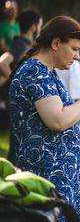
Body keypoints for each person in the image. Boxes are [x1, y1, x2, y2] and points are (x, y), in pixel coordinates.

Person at [8, 15, 80, 222]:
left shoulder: (47, 72)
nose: (77, 56)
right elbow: (56, 121)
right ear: (56, 43)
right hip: (45, 184)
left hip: (57, 182)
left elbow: (64, 117)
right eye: (74, 49)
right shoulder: (35, 72)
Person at [0, 9, 42, 162]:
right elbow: (3, 62)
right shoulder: (20, 44)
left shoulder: (28, 45)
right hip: (16, 100)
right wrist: (14, 78)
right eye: (40, 24)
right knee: (17, 146)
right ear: (33, 27)